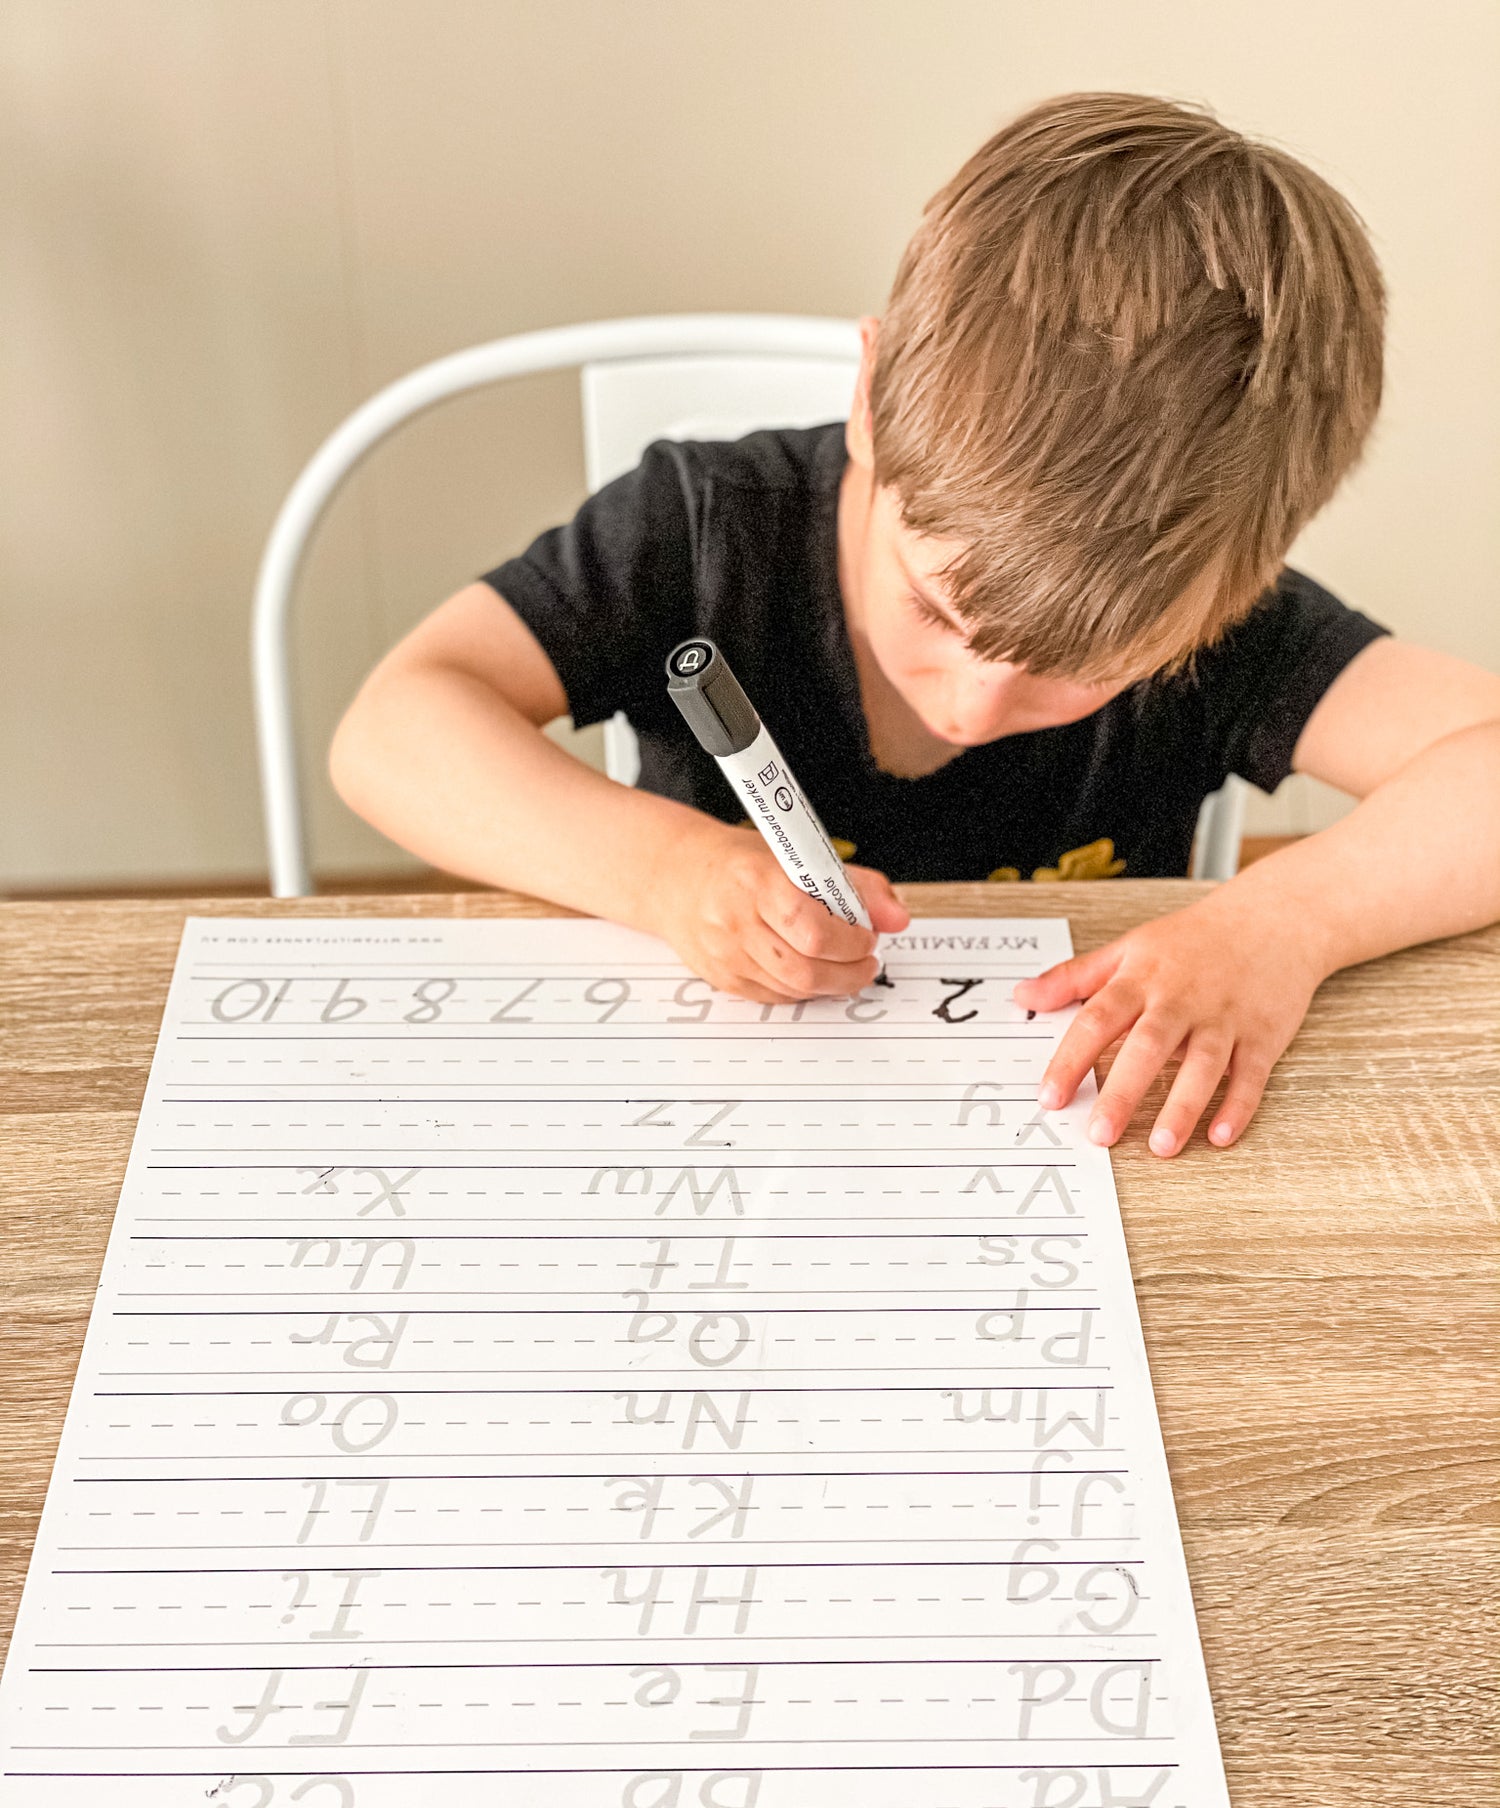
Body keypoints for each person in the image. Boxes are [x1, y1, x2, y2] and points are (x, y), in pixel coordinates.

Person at [330, 93, 1500, 1157]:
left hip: (1059, 1155)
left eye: (1081, 670)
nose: (975, 700)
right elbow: (392, 728)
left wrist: (1286, 921)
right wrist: (663, 872)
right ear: (870, 404)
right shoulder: (703, 531)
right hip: (697, 1119)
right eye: (933, 607)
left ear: (1230, 598)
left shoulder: (1207, 602)